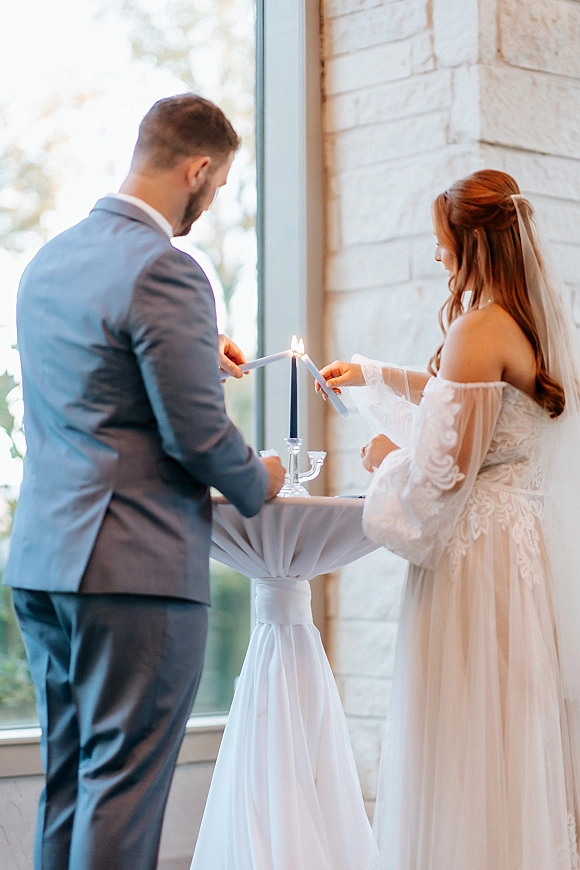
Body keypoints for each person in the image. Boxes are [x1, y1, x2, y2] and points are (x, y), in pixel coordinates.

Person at [3, 93, 285, 870]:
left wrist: (196, 353)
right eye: (219, 185)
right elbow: (195, 437)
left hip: (44, 563)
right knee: (123, 792)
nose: (212, 200)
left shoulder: (48, 261)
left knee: (71, 782)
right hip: (133, 569)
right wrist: (258, 474)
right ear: (198, 168)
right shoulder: (167, 267)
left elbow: (100, 392)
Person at [319, 170, 580, 870]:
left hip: (477, 556)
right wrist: (374, 374)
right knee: (508, 728)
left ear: (473, 244)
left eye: (443, 243)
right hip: (518, 547)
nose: (438, 257)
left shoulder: (476, 328)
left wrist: (383, 458)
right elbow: (469, 399)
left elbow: (444, 476)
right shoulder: (528, 326)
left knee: (463, 729)